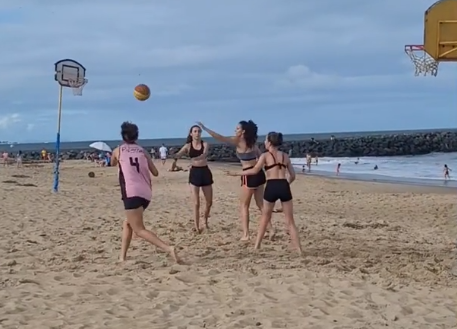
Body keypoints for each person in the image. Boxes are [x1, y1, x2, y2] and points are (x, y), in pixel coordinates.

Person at [111, 121, 181, 264]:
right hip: (146, 193)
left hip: (131, 193)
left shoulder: (119, 150)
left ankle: (168, 248)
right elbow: (155, 172)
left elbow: (112, 163)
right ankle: (122, 257)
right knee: (128, 223)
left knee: (139, 229)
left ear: (123, 136)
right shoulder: (142, 151)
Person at [227, 132, 302, 254]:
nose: (265, 142)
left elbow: (255, 170)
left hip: (271, 186)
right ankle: (299, 249)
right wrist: (285, 185)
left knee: (265, 218)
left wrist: (236, 173)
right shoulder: (285, 156)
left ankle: (257, 246)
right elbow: (293, 175)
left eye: (266, 140)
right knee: (290, 221)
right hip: (283, 185)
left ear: (270, 142)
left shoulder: (265, 156)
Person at [198, 120, 274, 241]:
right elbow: (261, 158)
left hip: (248, 174)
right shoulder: (252, 143)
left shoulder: (238, 141)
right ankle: (270, 229)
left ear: (243, 131)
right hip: (259, 174)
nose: (235, 130)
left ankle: (246, 234)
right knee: (260, 204)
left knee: (244, 205)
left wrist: (206, 129)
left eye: (237, 128)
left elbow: (220, 137)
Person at [173, 125, 213, 233]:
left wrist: (196, 158)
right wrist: (174, 155)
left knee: (209, 202)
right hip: (194, 173)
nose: (197, 133)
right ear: (191, 134)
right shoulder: (188, 146)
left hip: (205, 172)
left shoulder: (205, 144)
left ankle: (205, 220)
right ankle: (196, 226)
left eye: (199, 131)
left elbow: (204, 154)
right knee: (196, 203)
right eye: (195, 131)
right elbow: (179, 154)